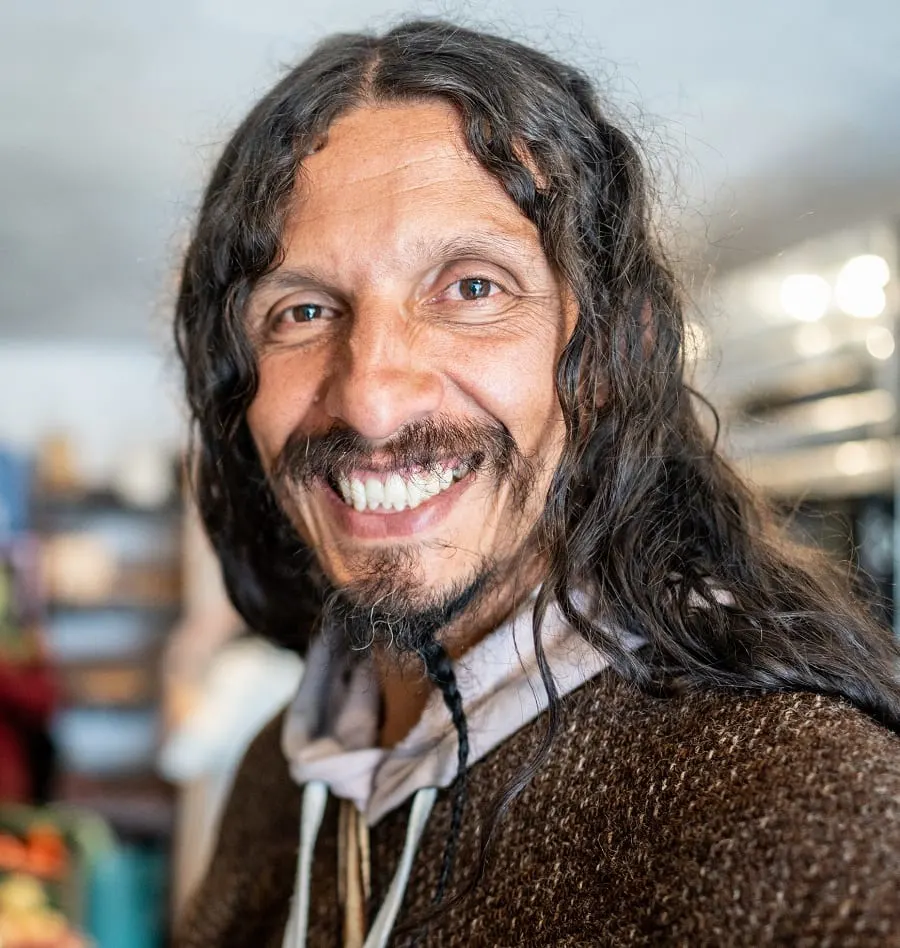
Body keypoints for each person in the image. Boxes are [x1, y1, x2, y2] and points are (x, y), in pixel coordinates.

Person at [172, 19, 900, 948]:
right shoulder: (285, 771)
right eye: (303, 310)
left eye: (472, 288)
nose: (372, 403)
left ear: (603, 358)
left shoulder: (798, 812)